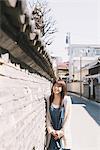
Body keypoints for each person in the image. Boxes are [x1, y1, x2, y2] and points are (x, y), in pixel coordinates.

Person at [46, 80, 72, 150]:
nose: (56, 88)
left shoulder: (66, 100)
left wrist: (61, 132)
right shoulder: (49, 99)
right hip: (52, 135)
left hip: (63, 135)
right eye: (55, 86)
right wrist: (51, 130)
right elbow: (48, 118)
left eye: (59, 86)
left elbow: (68, 119)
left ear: (62, 89)